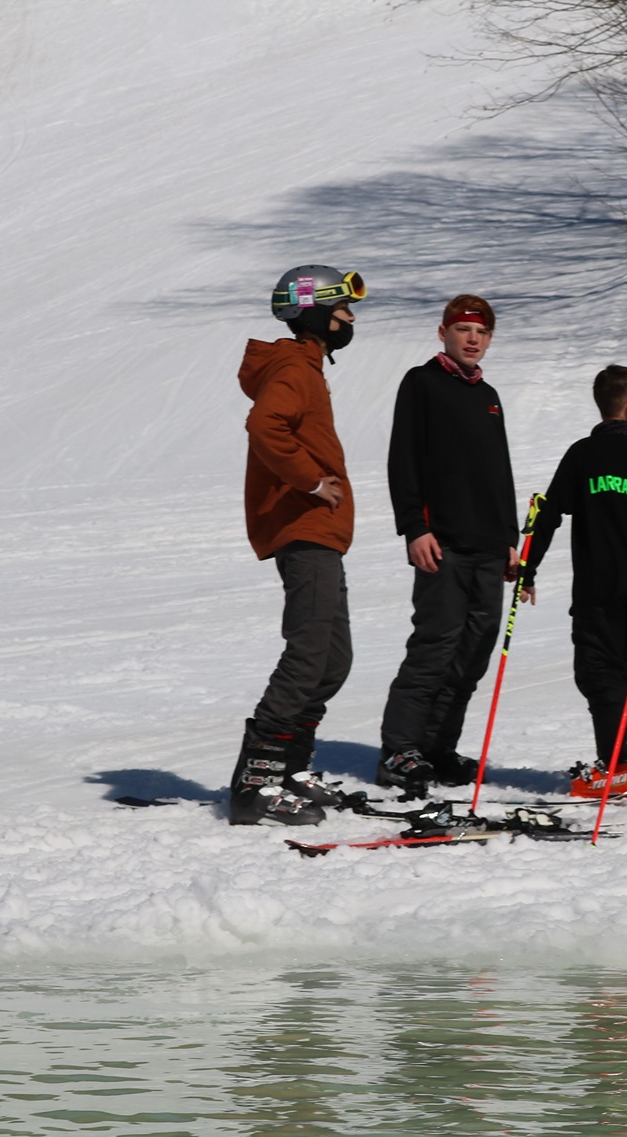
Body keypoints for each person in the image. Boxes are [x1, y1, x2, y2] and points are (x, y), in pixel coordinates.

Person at [228, 265, 366, 827]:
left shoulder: (305, 366)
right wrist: (311, 481)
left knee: (333, 658)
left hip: (320, 532)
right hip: (303, 528)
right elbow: (265, 426)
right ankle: (255, 783)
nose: (350, 319)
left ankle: (289, 767)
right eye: (342, 309)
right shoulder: (292, 367)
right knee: (309, 654)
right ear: (315, 313)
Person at [520, 365, 627, 800]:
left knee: (598, 672)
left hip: (597, 586)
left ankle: (622, 767)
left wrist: (527, 569)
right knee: (624, 670)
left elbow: (547, 514)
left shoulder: (583, 454)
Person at [374, 294, 520, 797]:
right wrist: (414, 528)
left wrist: (509, 539)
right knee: (435, 645)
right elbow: (403, 459)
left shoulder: (489, 395)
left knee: (473, 652)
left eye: (481, 332)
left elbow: (499, 472)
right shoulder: (422, 383)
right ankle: (399, 750)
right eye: (463, 330)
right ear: (443, 333)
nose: (472, 339)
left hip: (489, 547)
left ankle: (436, 748)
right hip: (444, 543)